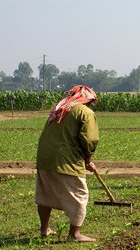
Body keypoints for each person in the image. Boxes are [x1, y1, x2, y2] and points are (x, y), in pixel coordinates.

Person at [35, 85, 100, 242]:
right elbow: (89, 139)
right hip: (65, 159)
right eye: (91, 102)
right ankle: (75, 234)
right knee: (80, 194)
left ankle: (44, 229)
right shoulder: (85, 112)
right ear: (87, 100)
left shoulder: (59, 108)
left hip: (45, 157)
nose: (91, 105)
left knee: (45, 194)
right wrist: (88, 159)